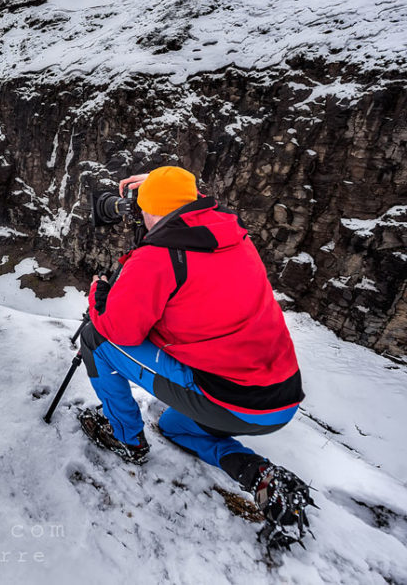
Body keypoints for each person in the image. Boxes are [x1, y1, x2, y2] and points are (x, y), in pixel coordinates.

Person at [76, 165, 313, 547]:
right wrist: (160, 186)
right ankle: (254, 473)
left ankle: (127, 441)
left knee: (95, 339)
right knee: (174, 426)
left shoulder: (157, 258)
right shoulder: (233, 235)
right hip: (279, 399)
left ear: (147, 208)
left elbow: (117, 330)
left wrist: (99, 295)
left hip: (228, 399)